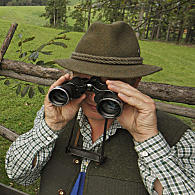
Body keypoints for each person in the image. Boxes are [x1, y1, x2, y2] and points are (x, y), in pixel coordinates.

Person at [5, 21, 195, 195]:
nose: (95, 97)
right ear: (72, 77)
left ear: (135, 83)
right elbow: (18, 175)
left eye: (108, 87)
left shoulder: (176, 136)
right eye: (85, 81)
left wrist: (148, 139)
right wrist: (51, 125)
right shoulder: (56, 115)